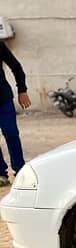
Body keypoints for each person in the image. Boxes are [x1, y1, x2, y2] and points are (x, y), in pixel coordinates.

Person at [0, 41, 31, 187]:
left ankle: (20, 169)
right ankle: (1, 173)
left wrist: (22, 90)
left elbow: (16, 67)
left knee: (11, 133)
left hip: (3, 99)